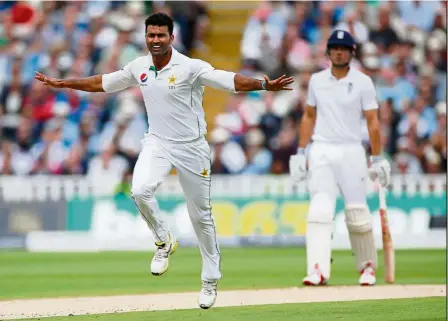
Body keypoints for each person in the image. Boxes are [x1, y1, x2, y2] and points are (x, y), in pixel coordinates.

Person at [34, 13, 294, 309]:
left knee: (201, 216)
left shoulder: (190, 67)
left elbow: (227, 80)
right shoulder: (139, 66)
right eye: (151, 35)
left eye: (160, 35)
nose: (155, 40)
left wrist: (262, 84)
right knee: (139, 190)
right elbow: (104, 83)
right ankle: (163, 240)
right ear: (145, 37)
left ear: (172, 37)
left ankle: (210, 278)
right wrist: (64, 83)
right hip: (157, 142)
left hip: (192, 147)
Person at [289, 30, 390, 286]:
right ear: (328, 52)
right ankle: (317, 269)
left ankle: (367, 267)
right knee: (319, 211)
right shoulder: (316, 81)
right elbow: (309, 116)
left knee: (356, 210)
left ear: (351, 52)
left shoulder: (363, 81)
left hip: (352, 149)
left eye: (343, 48)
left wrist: (377, 157)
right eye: (334, 47)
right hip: (321, 149)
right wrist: (301, 151)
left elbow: (372, 122)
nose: (338, 52)